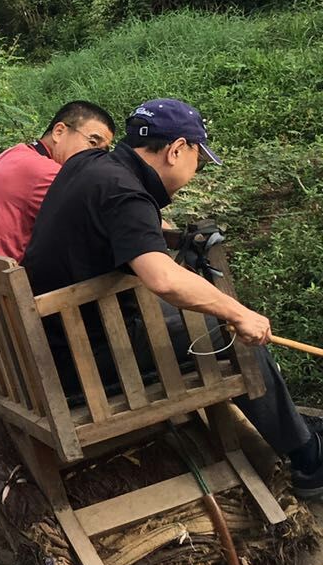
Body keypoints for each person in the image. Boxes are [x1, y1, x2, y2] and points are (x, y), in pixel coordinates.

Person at [22, 98, 323, 499]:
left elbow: (120, 221)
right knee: (231, 333)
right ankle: (308, 461)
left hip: (48, 339)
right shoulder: (125, 194)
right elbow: (162, 279)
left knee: (203, 318)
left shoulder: (88, 165)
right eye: (197, 159)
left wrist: (174, 237)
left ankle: (293, 429)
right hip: (85, 361)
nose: (194, 172)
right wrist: (240, 312)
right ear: (176, 149)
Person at [0, 101, 117, 262]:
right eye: (92, 143)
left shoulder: (14, 153)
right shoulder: (46, 172)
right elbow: (100, 228)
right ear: (59, 132)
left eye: (102, 152)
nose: (96, 157)